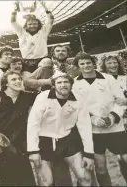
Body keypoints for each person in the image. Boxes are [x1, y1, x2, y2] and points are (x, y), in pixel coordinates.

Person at [28, 72, 94, 186]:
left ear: (71, 84)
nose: (63, 85)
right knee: (46, 183)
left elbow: (85, 126)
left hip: (67, 140)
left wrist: (89, 154)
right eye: (59, 82)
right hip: (44, 141)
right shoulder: (43, 97)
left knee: (86, 178)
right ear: (53, 85)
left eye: (66, 82)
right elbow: (33, 124)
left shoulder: (78, 98)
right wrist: (33, 150)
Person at [72, 52, 127, 186]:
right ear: (78, 67)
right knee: (100, 168)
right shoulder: (75, 84)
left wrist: (112, 117)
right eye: (82, 64)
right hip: (94, 132)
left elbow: (120, 102)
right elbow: (77, 107)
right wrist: (93, 119)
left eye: (88, 62)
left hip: (116, 129)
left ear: (94, 63)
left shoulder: (108, 78)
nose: (86, 66)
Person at [98, 54, 127, 182]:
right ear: (104, 65)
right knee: (121, 154)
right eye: (109, 63)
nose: (113, 65)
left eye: (115, 62)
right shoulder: (102, 80)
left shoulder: (125, 78)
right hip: (115, 119)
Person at [11, 1, 54, 80]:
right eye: (30, 24)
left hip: (42, 60)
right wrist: (15, 9)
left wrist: (44, 7)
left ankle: (46, 89)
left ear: (38, 25)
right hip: (26, 62)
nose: (32, 26)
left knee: (47, 62)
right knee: (28, 82)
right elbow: (13, 21)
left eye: (35, 24)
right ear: (26, 25)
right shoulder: (21, 33)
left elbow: (51, 20)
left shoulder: (43, 32)